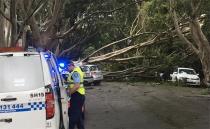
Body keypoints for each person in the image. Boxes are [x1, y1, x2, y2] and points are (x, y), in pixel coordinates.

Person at [67, 61, 85, 129]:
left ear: (71, 65)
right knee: (78, 116)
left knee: (73, 117)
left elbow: (77, 86)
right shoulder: (76, 71)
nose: (67, 68)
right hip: (79, 95)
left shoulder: (75, 73)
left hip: (77, 96)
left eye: (68, 67)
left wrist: (69, 93)